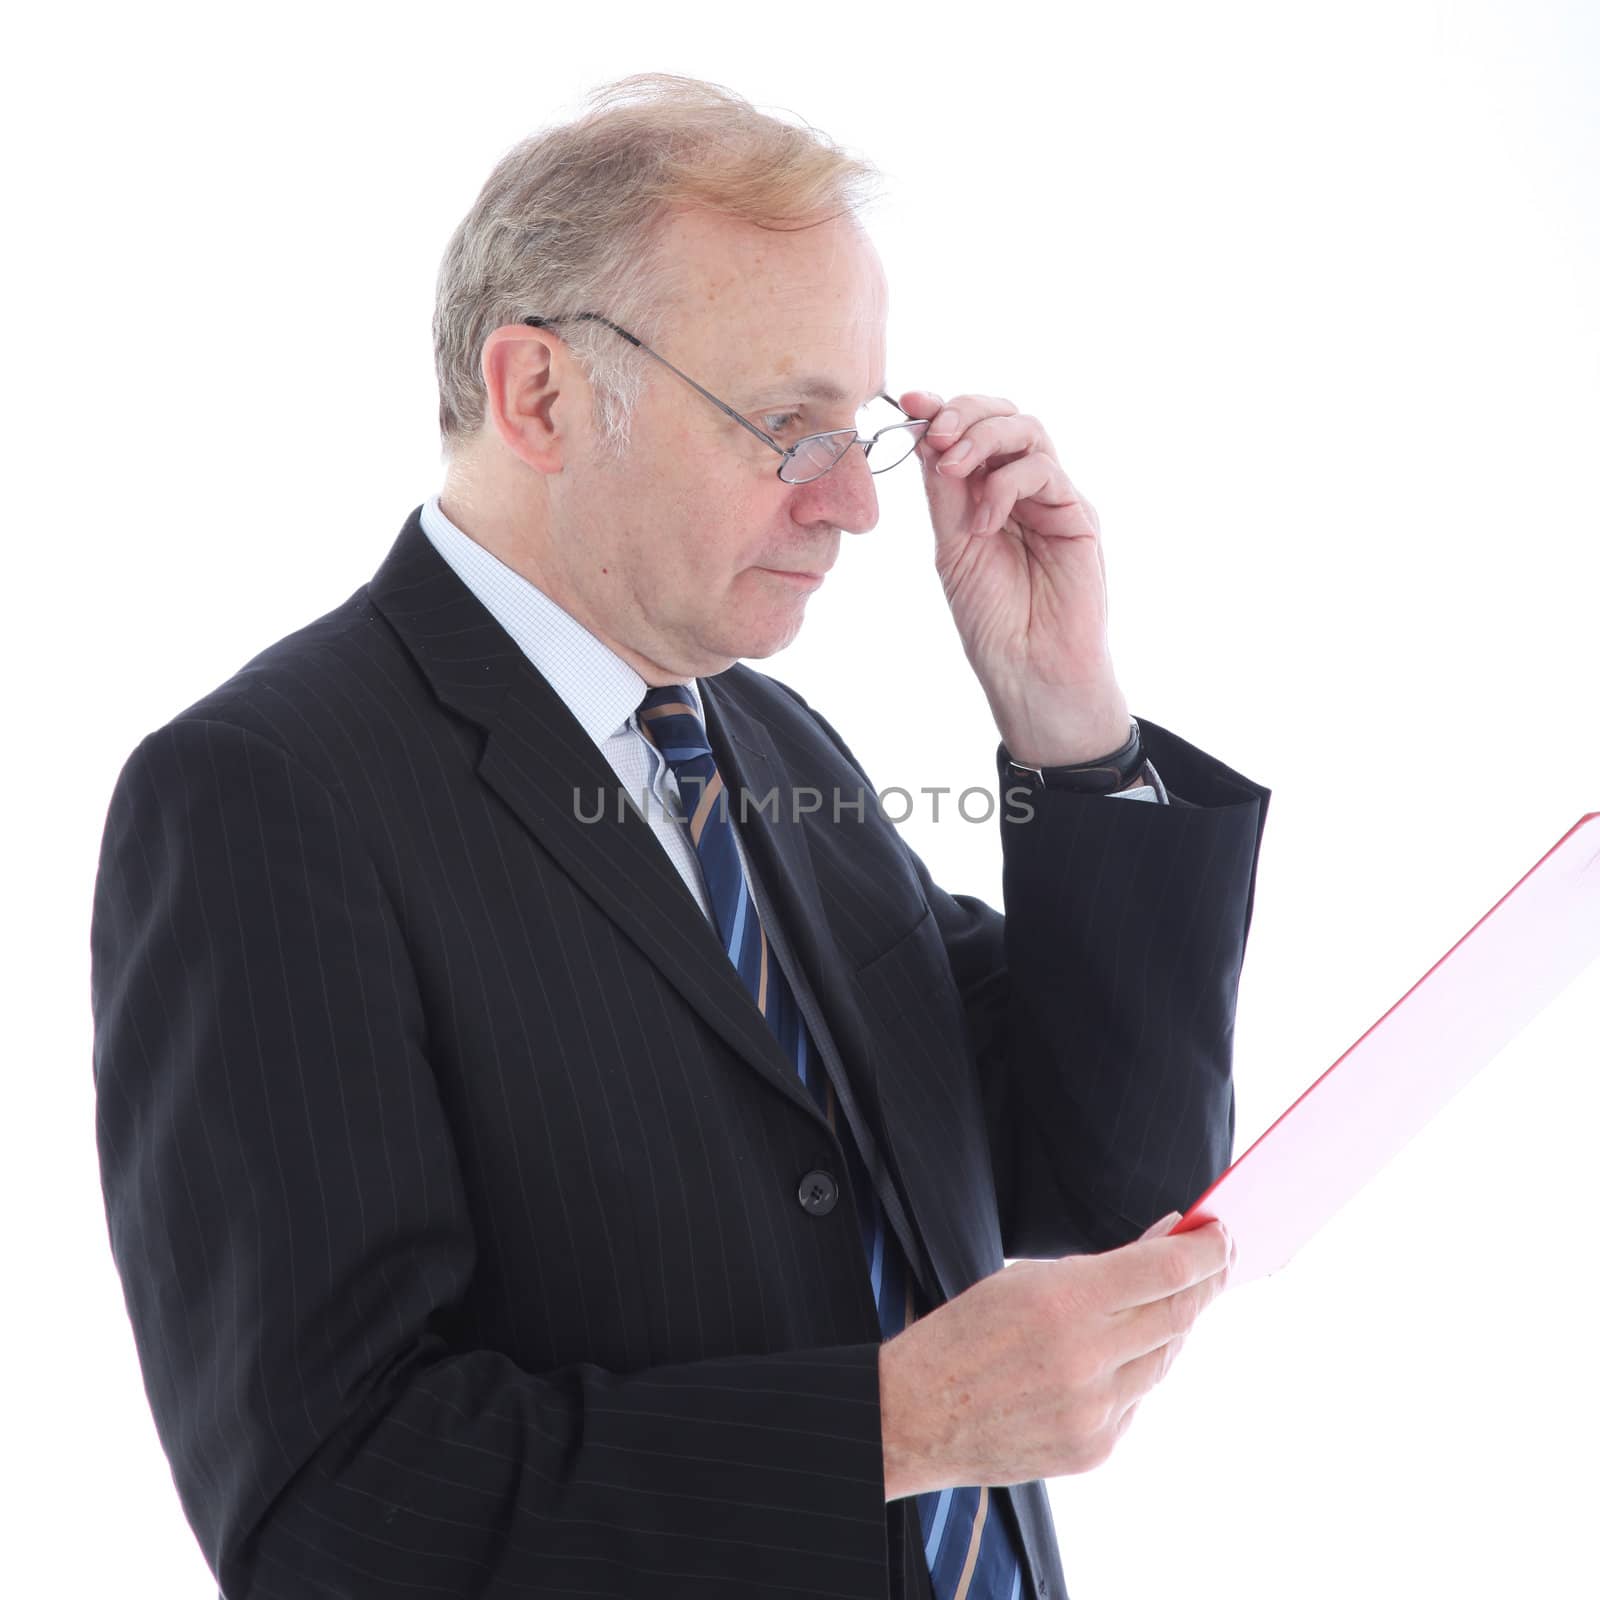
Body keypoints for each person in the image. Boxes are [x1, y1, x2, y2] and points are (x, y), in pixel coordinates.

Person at [89, 72, 1269, 1600]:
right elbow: (337, 1514)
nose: (851, 506)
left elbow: (1102, 1177)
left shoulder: (765, 744)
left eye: (860, 433)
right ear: (542, 398)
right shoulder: (259, 799)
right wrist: (895, 1422)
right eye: (786, 426)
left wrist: (1069, 724)